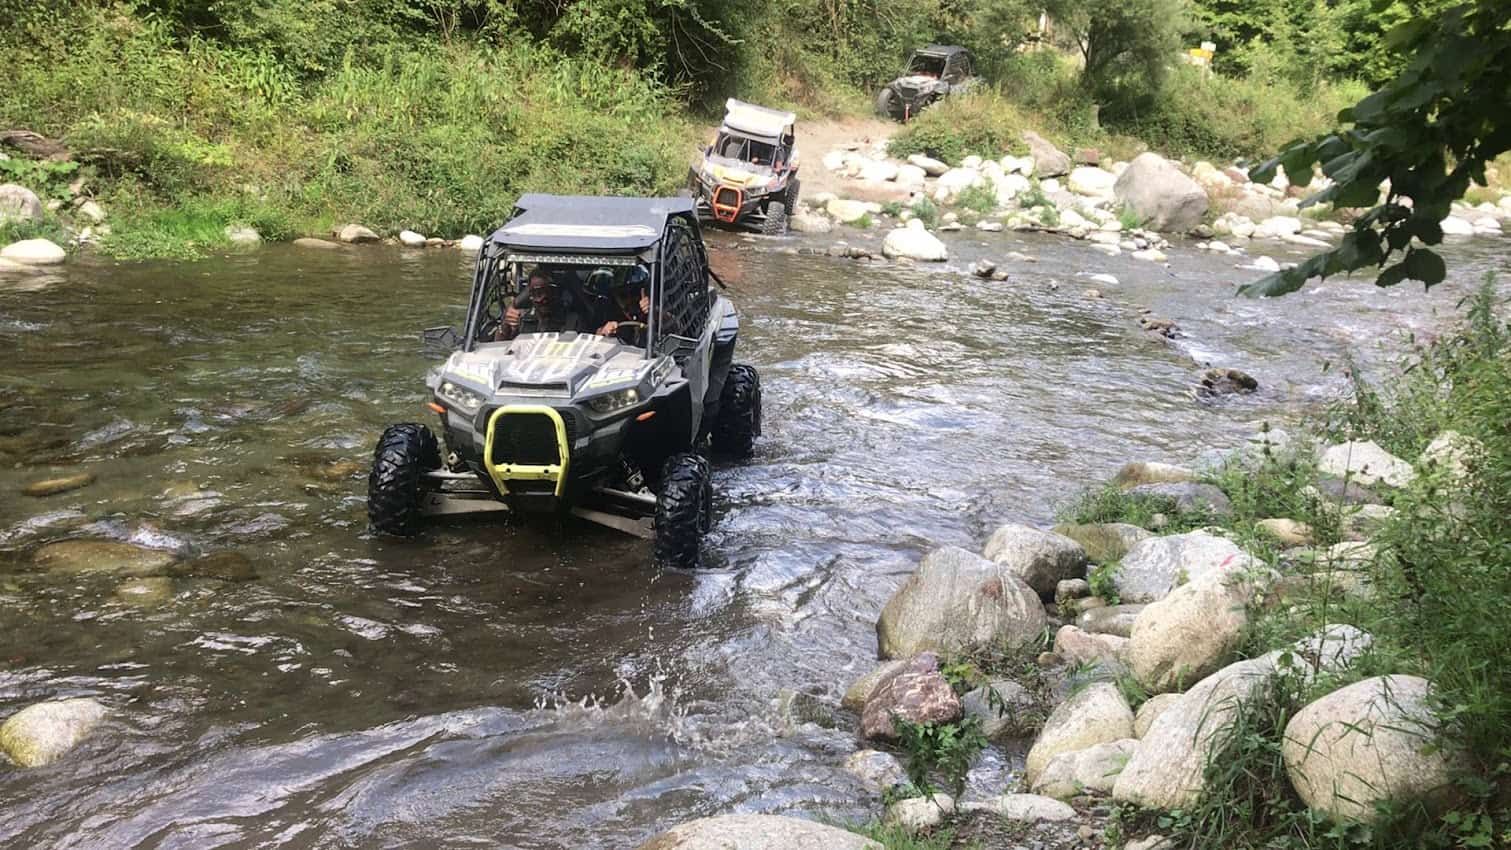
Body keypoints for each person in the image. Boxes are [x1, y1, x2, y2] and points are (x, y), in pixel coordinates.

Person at [497, 269, 584, 341]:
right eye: (537, 293)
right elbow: (500, 349)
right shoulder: (521, 318)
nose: (543, 299)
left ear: (556, 293)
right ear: (530, 295)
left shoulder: (573, 321)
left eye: (548, 291)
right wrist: (505, 328)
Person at [596, 267, 651, 345]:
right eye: (623, 295)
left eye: (633, 293)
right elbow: (590, 336)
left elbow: (671, 326)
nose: (629, 299)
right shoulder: (608, 310)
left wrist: (654, 312)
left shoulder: (653, 306)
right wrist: (603, 331)